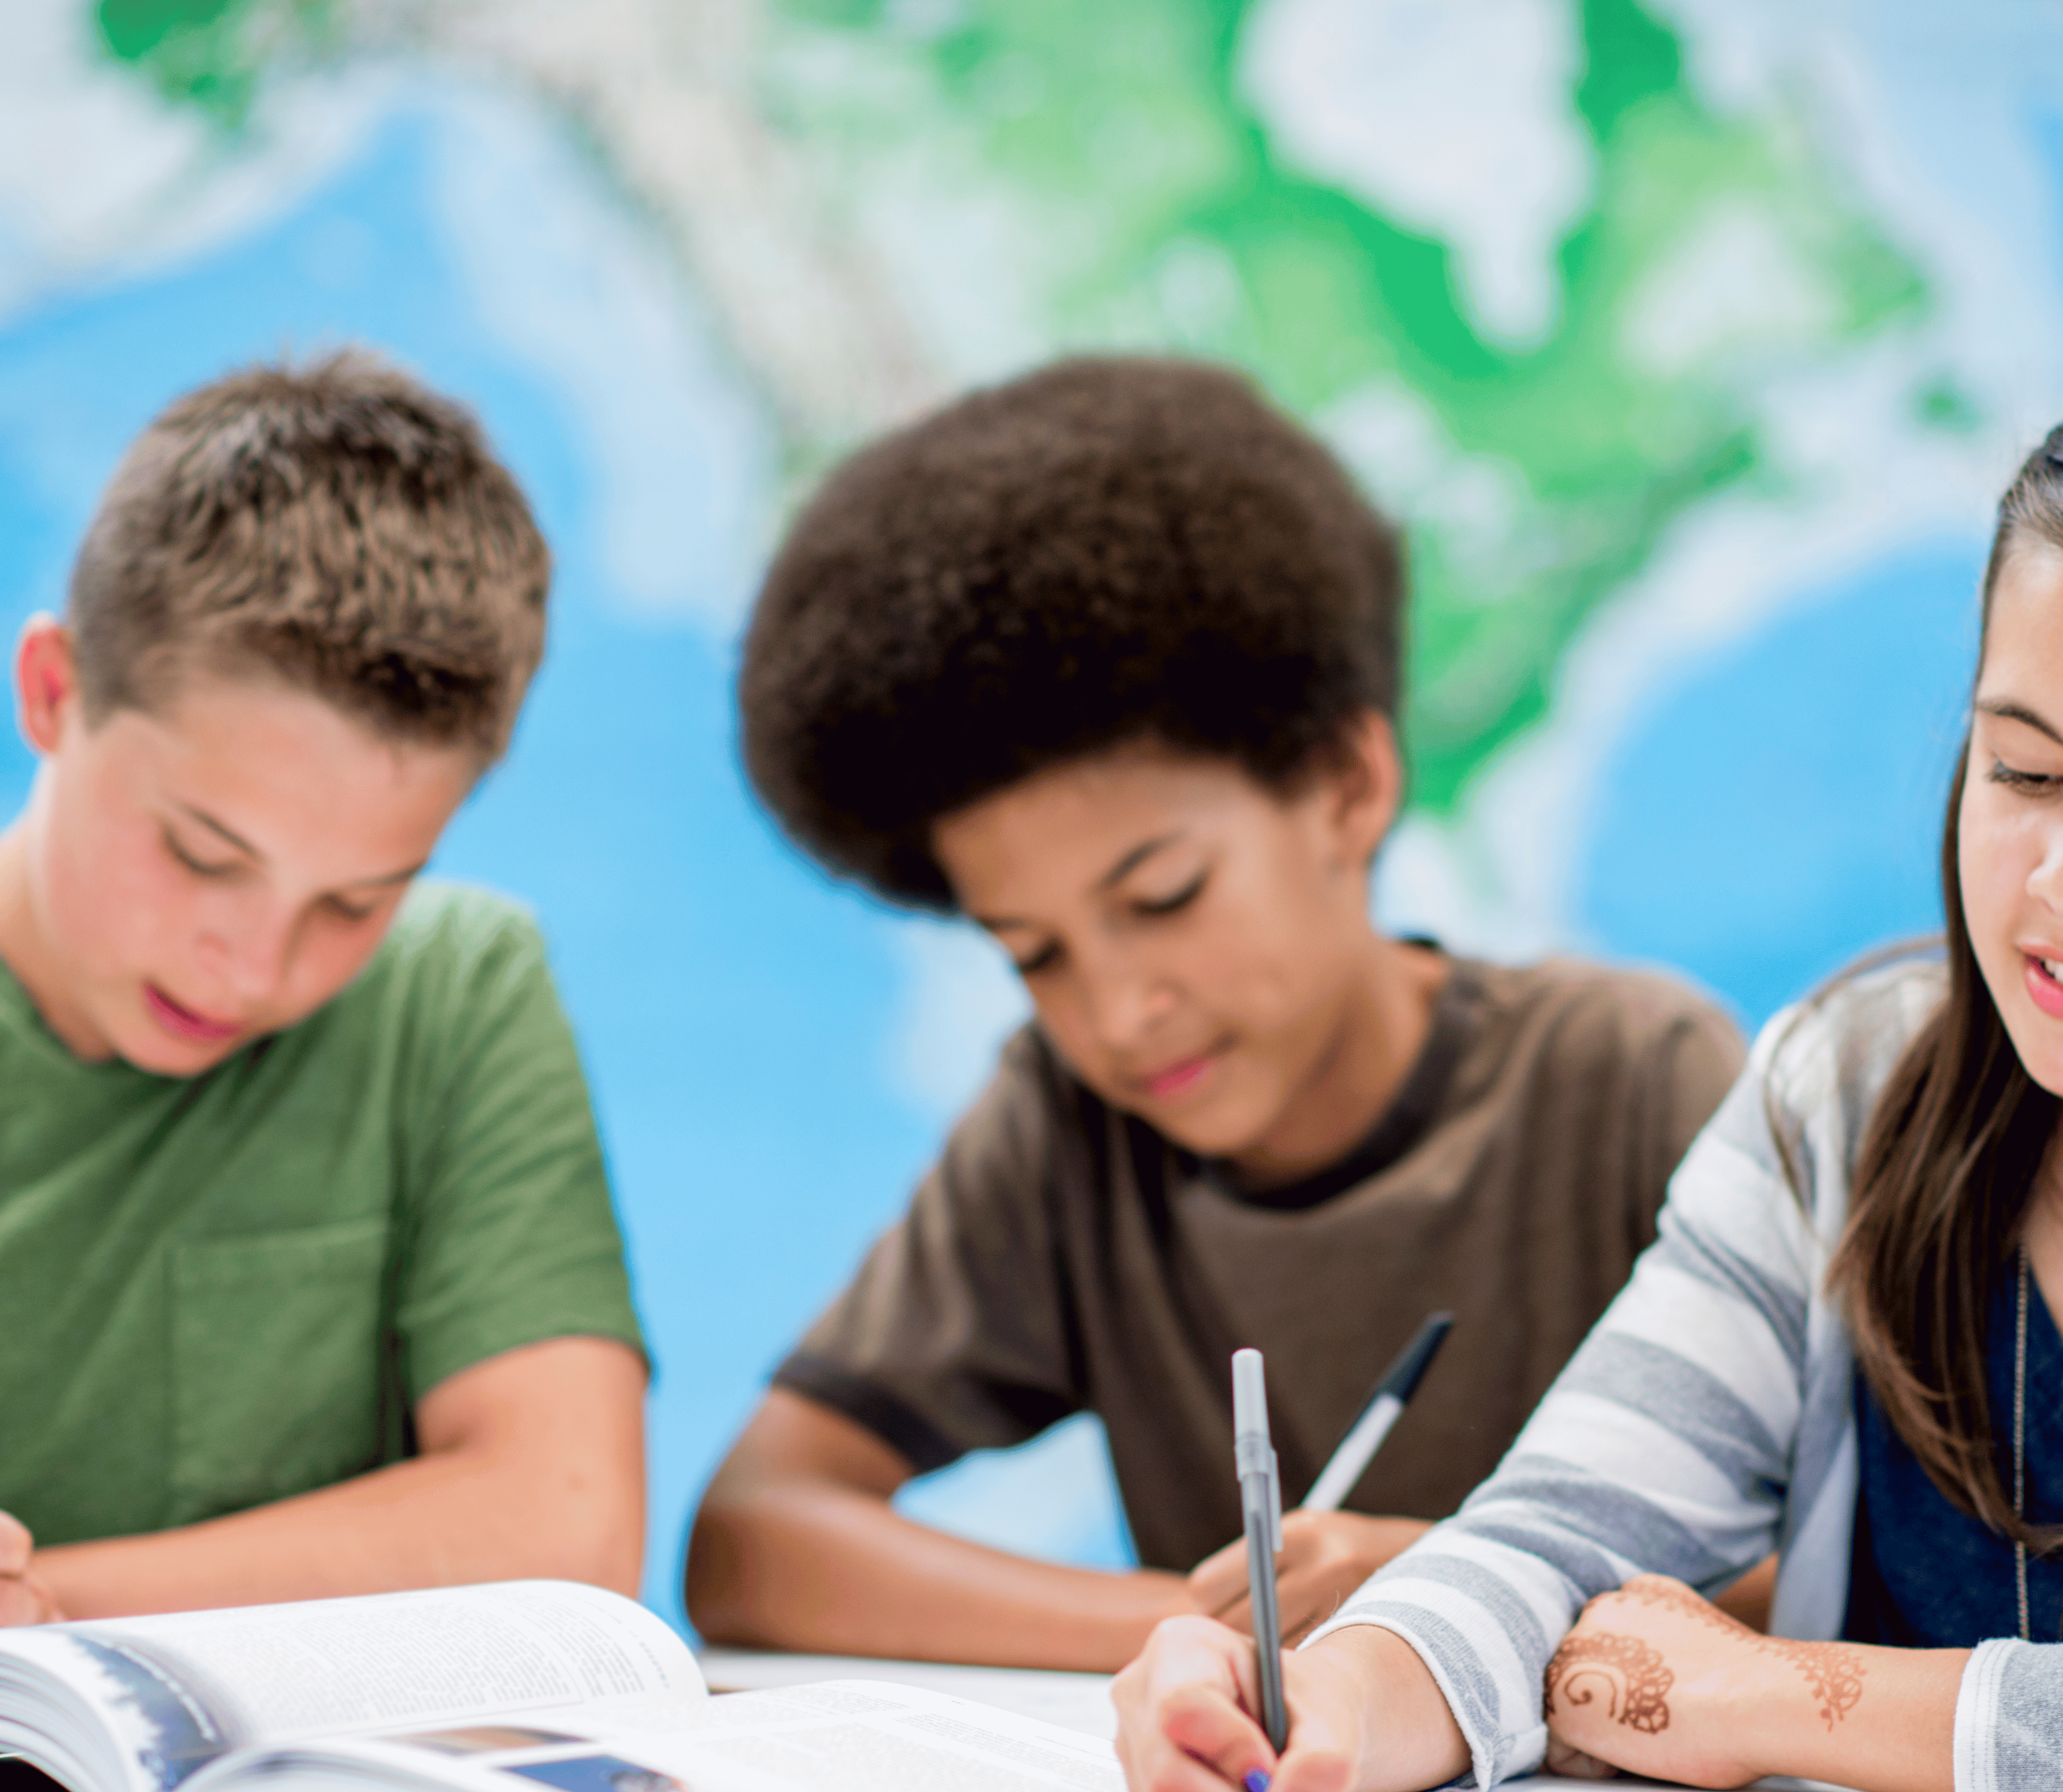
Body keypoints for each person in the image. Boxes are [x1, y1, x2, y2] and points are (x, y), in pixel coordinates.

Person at [1112, 357, 2063, 1792]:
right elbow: (1559, 1536)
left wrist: (1768, 1699)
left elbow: (1703, 1685)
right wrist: (1311, 1705)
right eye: (2021, 769)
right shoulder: (1848, 1085)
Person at [684, 356, 1744, 1670]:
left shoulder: (1634, 1077)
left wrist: (1444, 1590)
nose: (1120, 1014)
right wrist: (1211, 1632)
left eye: (1165, 896)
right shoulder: (1070, 1131)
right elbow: (753, 1535)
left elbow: (1842, 1575)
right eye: (1035, 954)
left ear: (1347, 785)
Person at [0, 353, 646, 1628]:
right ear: (55, 693)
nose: (252, 967)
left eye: (358, 900)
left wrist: (37, 1609)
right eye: (200, 855)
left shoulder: (455, 992)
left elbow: (566, 1528)